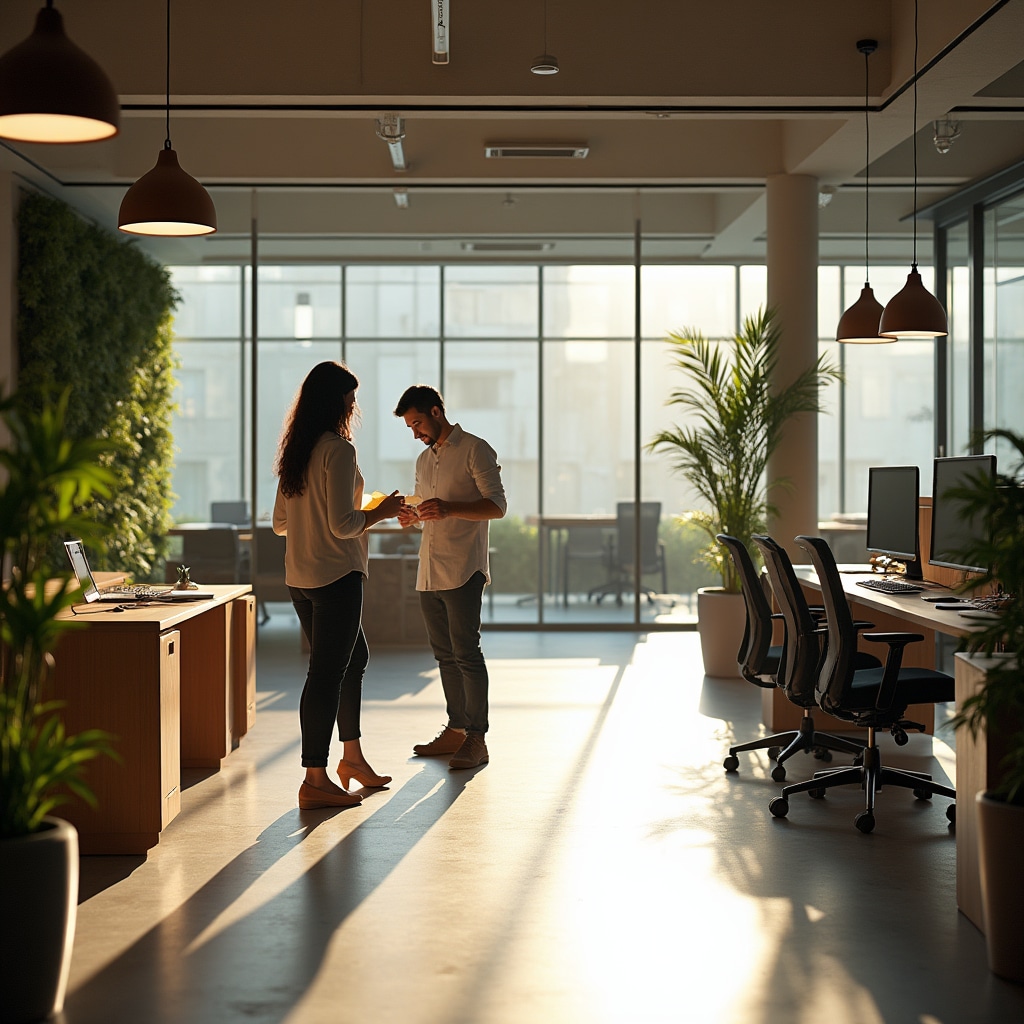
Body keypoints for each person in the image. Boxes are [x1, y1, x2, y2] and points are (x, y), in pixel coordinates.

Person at [274, 361, 404, 810]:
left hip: (300, 577)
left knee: (354, 658)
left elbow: (279, 523)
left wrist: (337, 514)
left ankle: (352, 758)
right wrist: (383, 511)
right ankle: (315, 777)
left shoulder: (297, 451)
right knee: (327, 673)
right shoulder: (339, 451)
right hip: (336, 575)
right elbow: (345, 525)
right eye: (350, 399)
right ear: (337, 403)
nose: (354, 406)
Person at [394, 385, 506, 770]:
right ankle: (456, 730)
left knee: (467, 654)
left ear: (437, 412)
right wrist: (411, 514)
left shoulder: (476, 449)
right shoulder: (424, 461)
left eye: (418, 422)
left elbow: (497, 506)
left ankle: (477, 739)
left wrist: (448, 508)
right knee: (444, 655)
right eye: (410, 426)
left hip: (463, 568)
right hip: (430, 567)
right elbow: (428, 508)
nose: (415, 433)